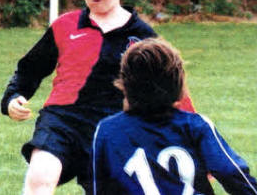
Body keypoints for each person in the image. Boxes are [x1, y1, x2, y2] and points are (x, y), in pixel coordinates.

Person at [0, 0, 195, 194]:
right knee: (40, 176)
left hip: (113, 130)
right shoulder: (64, 26)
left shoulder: (144, 38)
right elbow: (30, 68)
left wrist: (196, 142)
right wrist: (14, 96)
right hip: (62, 121)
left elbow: (172, 90)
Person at [92, 37, 257, 195]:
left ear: (125, 84)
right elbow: (231, 173)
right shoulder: (195, 126)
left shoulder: (107, 130)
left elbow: (100, 188)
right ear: (177, 82)